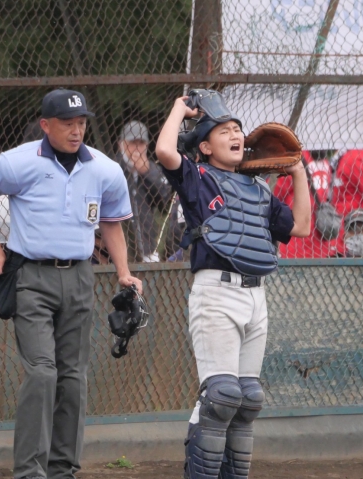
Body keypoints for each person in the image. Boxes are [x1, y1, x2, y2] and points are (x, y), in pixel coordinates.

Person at [0, 88, 142, 479]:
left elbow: (111, 222)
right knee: (43, 373)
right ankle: (30, 471)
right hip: (31, 276)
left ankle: (62, 469)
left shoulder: (104, 169)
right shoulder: (17, 163)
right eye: (67, 124)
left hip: (80, 276)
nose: (76, 130)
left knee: (74, 376)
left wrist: (123, 271)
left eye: (81, 123)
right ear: (46, 125)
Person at [155, 93, 310, 479]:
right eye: (224, 131)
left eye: (238, 130)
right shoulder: (198, 179)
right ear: (206, 147)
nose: (236, 135)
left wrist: (298, 172)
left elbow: (302, 227)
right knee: (221, 397)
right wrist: (179, 109)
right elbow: (164, 151)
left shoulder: (260, 191)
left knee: (247, 401)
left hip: (257, 296)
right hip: (216, 293)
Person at [118, 120, 174, 262]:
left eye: (141, 143)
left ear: (147, 145)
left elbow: (165, 204)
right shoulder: (113, 168)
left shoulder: (153, 170)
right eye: (132, 143)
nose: (137, 148)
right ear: (121, 144)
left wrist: (146, 173)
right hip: (120, 248)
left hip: (149, 247)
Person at [273, 150, 338, 258]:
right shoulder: (323, 161)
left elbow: (277, 193)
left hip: (300, 236)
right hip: (314, 237)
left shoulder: (297, 159)